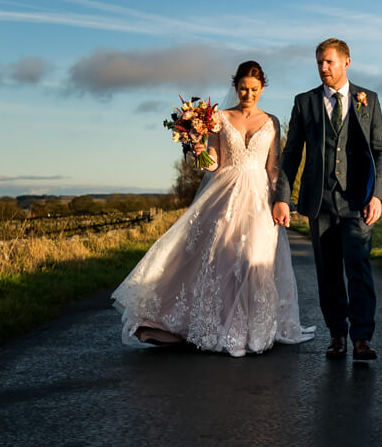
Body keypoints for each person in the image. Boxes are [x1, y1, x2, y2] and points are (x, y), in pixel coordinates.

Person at [113, 60, 315, 357]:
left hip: (260, 198)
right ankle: (227, 331)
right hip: (226, 195)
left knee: (255, 260)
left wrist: (279, 201)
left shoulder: (272, 121)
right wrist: (198, 149)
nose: (249, 95)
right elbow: (213, 163)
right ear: (236, 87)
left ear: (262, 89)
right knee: (224, 262)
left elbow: (274, 168)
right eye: (244, 89)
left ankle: (256, 332)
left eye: (255, 90)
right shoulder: (219, 118)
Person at [274, 38, 382, 363]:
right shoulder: (305, 102)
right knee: (328, 274)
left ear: (346, 62)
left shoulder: (369, 100)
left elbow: (381, 150)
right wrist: (283, 197)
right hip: (319, 201)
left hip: (358, 202)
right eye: (319, 63)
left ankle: (362, 338)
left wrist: (377, 196)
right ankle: (337, 335)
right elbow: (292, 152)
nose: (323, 69)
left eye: (329, 62)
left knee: (359, 269)